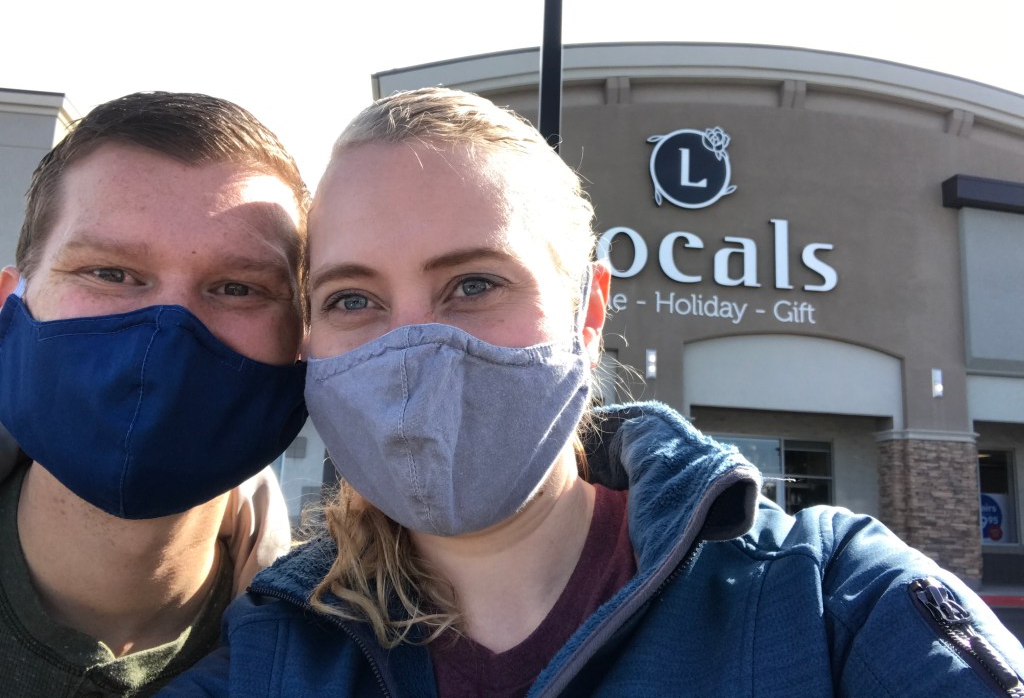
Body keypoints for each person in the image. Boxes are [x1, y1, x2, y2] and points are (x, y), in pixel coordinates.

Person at [159, 87, 1024, 697]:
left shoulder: (832, 601)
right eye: (353, 298)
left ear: (589, 312)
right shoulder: (272, 656)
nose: (413, 346)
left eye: (474, 284)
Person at [0, 91, 310, 697]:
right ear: (10, 303)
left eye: (238, 287)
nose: (167, 332)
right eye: (109, 273)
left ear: (303, 341)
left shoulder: (358, 662)